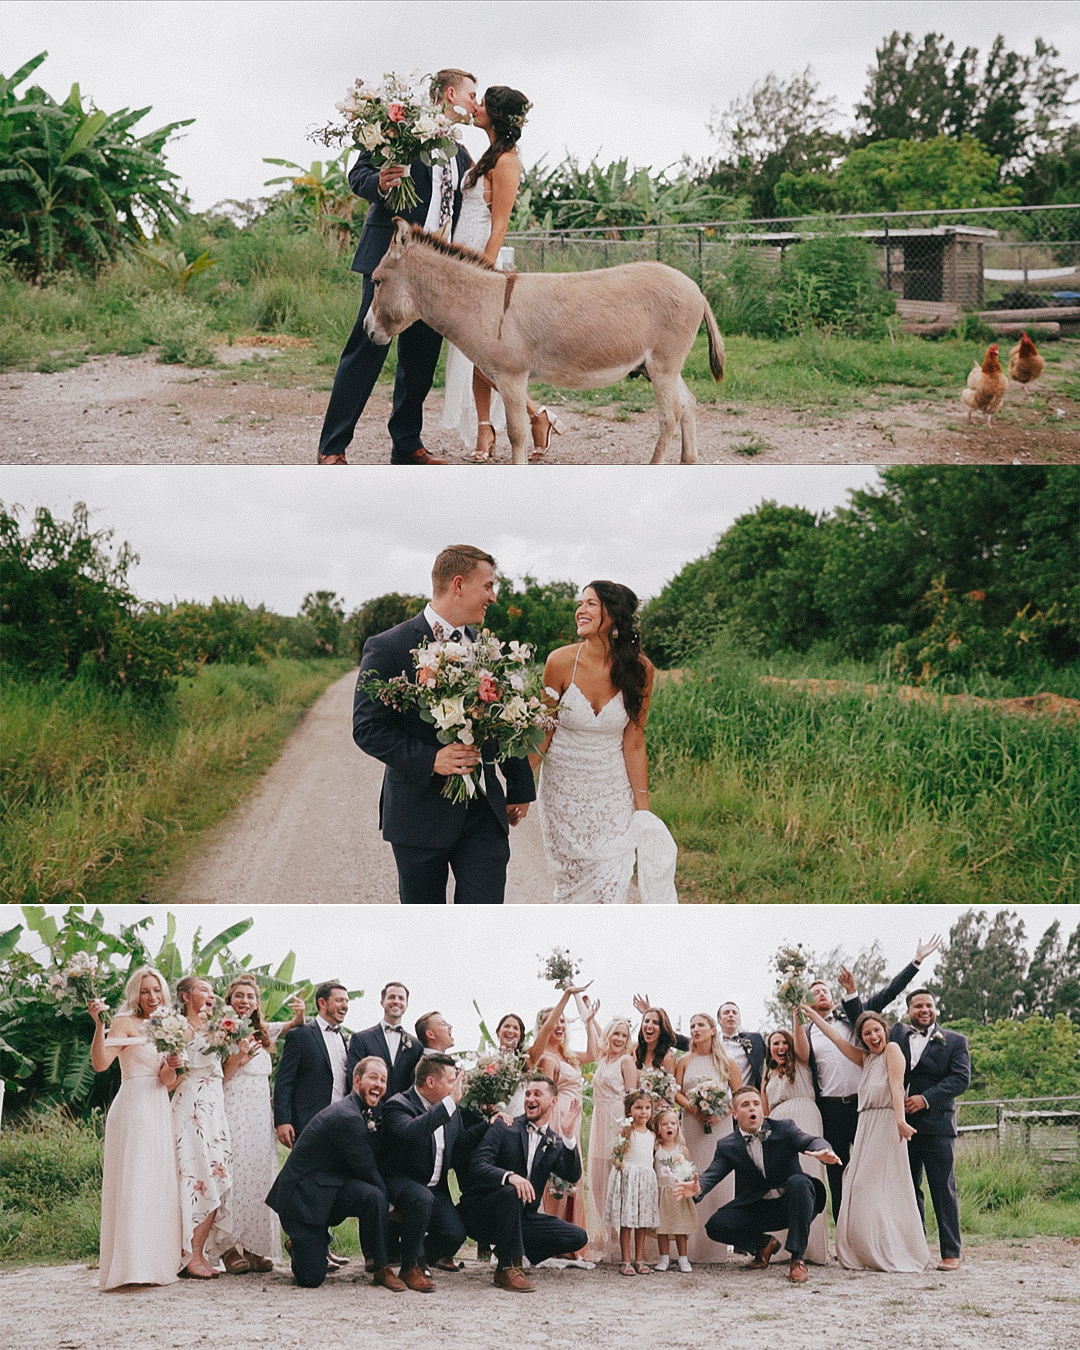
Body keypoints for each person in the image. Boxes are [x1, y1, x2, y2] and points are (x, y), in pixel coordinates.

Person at [353, 544, 536, 904]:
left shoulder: (487, 650)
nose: (493, 597)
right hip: (418, 814)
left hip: (483, 813)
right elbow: (367, 728)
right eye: (487, 586)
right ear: (458, 585)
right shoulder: (388, 646)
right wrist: (431, 760)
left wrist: (519, 785)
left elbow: (502, 720)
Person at [316, 68, 477, 465]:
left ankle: (407, 445)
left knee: (420, 361)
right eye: (472, 94)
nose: (477, 102)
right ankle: (332, 447)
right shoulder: (400, 131)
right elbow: (358, 175)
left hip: (433, 274)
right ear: (451, 93)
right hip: (389, 263)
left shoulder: (461, 153)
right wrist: (382, 183)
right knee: (365, 352)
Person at [533, 582, 677, 904]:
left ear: (614, 615)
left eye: (591, 604)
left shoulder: (641, 669)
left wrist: (644, 813)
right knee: (571, 891)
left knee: (611, 884)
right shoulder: (559, 662)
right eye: (580, 603)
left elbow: (634, 741)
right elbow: (544, 730)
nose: (580, 611)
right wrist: (517, 790)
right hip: (563, 795)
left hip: (613, 793)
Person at [440, 85, 559, 463]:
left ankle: (535, 413)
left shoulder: (507, 160)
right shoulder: (485, 156)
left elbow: (501, 223)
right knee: (471, 353)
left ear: (497, 115)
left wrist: (484, 273)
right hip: (463, 253)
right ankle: (485, 428)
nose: (476, 107)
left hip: (482, 260)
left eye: (483, 104)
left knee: (482, 353)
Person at [802, 936, 941, 1219]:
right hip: (831, 1108)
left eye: (825, 989)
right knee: (839, 1173)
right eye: (814, 992)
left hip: (865, 1109)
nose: (821, 994)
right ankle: (846, 1232)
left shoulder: (858, 1018)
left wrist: (916, 961)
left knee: (875, 1173)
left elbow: (890, 992)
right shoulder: (806, 1031)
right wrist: (803, 1014)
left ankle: (887, 1224)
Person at [802, 1006, 931, 1273]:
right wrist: (809, 1013)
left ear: (885, 1030)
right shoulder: (866, 1059)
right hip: (866, 1124)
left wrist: (899, 1121)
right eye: (866, 1033)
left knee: (867, 1186)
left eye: (876, 1030)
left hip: (885, 1123)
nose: (873, 1036)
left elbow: (896, 1085)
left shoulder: (892, 1050)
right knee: (859, 1186)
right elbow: (836, 1039)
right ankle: (869, 1249)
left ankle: (889, 1249)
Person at [266, 1056, 405, 1291]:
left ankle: (380, 1266)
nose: (379, 1085)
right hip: (303, 1199)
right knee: (311, 1279)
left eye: (383, 1080)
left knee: (372, 1197)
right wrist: (394, 1208)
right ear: (357, 1080)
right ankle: (298, 1243)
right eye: (373, 1077)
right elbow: (367, 1169)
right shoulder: (347, 1116)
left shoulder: (361, 1110)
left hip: (331, 1186)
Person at [682, 1086, 839, 1285]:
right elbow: (712, 1174)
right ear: (735, 1114)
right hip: (762, 1207)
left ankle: (797, 1259)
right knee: (716, 1225)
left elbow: (809, 1140)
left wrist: (823, 1150)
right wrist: (698, 1188)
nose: (752, 1109)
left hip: (795, 1202)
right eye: (745, 1105)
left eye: (756, 1104)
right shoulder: (728, 1145)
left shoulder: (784, 1128)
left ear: (762, 1109)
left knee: (799, 1181)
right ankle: (763, 1245)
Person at [88, 967, 184, 1290]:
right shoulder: (124, 1023)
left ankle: (154, 1264)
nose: (152, 997)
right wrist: (99, 1026)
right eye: (145, 991)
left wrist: (173, 1065)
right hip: (132, 1107)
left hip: (158, 1108)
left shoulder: (170, 1025)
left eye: (156, 990)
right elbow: (101, 1063)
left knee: (157, 1184)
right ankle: (129, 1266)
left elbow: (166, 1082)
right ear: (136, 994)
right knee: (134, 1183)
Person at [458, 1075, 588, 1292]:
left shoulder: (553, 1141)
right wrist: (510, 1176)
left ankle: (510, 1250)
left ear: (553, 1101)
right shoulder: (505, 1126)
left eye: (537, 1094)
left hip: (520, 1218)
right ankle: (506, 1267)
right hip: (484, 1213)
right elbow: (478, 1165)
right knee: (511, 1192)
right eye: (528, 1094)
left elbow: (571, 1175)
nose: (530, 1098)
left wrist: (568, 1135)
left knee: (577, 1237)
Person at [213, 978, 305, 1274]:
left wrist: (300, 1012)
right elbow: (221, 1078)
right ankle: (228, 1247)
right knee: (234, 1175)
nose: (245, 1000)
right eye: (239, 995)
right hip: (233, 1108)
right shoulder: (220, 1033)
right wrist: (238, 1058)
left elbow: (291, 1025)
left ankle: (254, 1247)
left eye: (251, 996)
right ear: (229, 1000)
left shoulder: (264, 1032)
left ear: (256, 1002)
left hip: (259, 1114)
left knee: (258, 1176)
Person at [889, 990, 971, 1272]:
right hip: (904, 1128)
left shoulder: (955, 1041)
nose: (924, 1010)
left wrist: (925, 1099)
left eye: (929, 1005)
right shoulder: (897, 1036)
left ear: (936, 1009)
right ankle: (916, 1248)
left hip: (937, 1126)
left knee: (942, 1188)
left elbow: (960, 1079)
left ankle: (951, 1251)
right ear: (908, 1009)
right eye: (918, 1005)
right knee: (909, 1189)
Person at [378, 1054, 474, 1289]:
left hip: (435, 1187)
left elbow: (461, 1143)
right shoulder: (398, 1105)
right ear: (430, 1082)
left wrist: (491, 1124)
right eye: (451, 1081)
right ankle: (409, 1267)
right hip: (402, 1182)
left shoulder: (449, 1110)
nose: (455, 1088)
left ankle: (416, 1255)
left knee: (454, 1235)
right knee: (421, 1198)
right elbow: (412, 1132)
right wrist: (449, 1103)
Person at [172, 975, 234, 1278]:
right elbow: (177, 1073)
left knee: (216, 1174)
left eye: (212, 991)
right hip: (192, 1106)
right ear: (186, 996)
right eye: (203, 990)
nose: (210, 995)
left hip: (214, 1106)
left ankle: (198, 1252)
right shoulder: (178, 1029)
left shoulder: (216, 1028)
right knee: (196, 1174)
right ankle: (189, 1255)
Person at [528, 986, 599, 1248]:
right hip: (558, 1119)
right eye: (554, 1022)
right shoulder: (546, 1058)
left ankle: (570, 1241)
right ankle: (553, 1239)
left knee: (572, 1175)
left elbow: (594, 1054)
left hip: (571, 1119)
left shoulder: (566, 1055)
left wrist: (589, 1022)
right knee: (556, 1176)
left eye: (562, 1022)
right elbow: (545, 1095)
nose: (559, 1026)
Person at [673, 1012, 739, 1263]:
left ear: (713, 1030)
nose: (695, 1029)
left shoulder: (726, 1062)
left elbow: (738, 1094)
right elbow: (676, 1092)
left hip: (720, 1127)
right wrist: (693, 1108)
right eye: (691, 1026)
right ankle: (689, 1246)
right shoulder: (685, 1060)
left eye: (700, 1025)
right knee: (692, 1173)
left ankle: (716, 1246)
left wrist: (720, 1113)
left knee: (718, 1179)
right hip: (691, 1124)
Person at [763, 1022, 828, 1265]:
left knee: (807, 1177)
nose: (780, 1047)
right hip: (777, 1123)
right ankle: (779, 1245)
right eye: (775, 1043)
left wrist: (797, 1014)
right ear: (769, 1049)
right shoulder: (768, 1074)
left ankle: (809, 1247)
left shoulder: (801, 1063)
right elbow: (764, 1107)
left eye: (784, 1042)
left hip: (804, 1117)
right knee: (780, 1183)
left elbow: (801, 1042)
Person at [585, 1017, 638, 1262]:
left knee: (618, 1178)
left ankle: (623, 1241)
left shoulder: (627, 1061)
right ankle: (609, 1237)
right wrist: (590, 1018)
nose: (619, 1039)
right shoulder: (603, 1059)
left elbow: (633, 1098)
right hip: (599, 1118)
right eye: (616, 1033)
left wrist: (629, 1131)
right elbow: (593, 1031)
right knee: (598, 1180)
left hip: (618, 1119)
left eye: (624, 1035)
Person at [604, 1090, 661, 1276]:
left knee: (642, 1222)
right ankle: (626, 1260)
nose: (643, 1112)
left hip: (645, 1180)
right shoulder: (626, 1132)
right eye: (638, 1108)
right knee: (627, 1222)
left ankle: (640, 1259)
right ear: (629, 1111)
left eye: (647, 1108)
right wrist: (619, 1162)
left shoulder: (652, 1135)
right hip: (629, 1178)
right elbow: (616, 1155)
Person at [346, 981, 423, 1098]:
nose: (396, 1001)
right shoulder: (361, 1039)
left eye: (401, 998)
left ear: (407, 1004)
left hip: (403, 1112)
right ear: (382, 1002)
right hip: (369, 1110)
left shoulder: (416, 1046)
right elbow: (353, 1078)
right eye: (391, 997)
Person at [652, 1107, 698, 1273]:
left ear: (678, 1127)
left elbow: (689, 1172)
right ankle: (664, 1258)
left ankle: (683, 1259)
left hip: (677, 1193)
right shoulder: (656, 1149)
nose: (669, 1127)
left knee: (680, 1227)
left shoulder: (682, 1150)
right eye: (664, 1124)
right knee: (662, 1228)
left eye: (673, 1123)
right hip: (662, 1193)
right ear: (658, 1128)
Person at [716, 1002, 767, 1090]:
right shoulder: (709, 1042)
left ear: (739, 1020)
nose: (731, 1015)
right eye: (726, 1012)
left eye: (734, 1013)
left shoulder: (755, 1040)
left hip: (747, 1097)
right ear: (719, 1020)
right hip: (717, 1097)